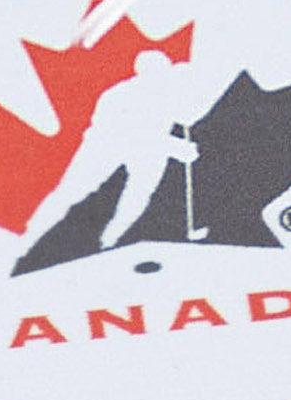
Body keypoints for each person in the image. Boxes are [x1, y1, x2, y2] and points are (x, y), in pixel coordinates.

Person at [24, 49, 215, 251]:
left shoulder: (166, 95)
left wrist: (189, 90)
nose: (161, 76)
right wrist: (173, 146)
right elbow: (124, 133)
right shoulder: (119, 94)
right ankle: (31, 235)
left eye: (164, 71)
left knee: (139, 194)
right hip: (106, 147)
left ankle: (109, 240)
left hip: (150, 151)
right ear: (143, 72)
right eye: (157, 71)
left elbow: (188, 117)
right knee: (72, 190)